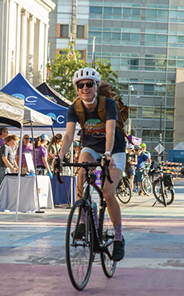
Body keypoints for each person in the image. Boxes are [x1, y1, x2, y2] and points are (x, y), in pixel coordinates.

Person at [56, 67, 126, 262]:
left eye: (89, 84)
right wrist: (60, 157)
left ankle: (119, 238)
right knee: (81, 173)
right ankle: (83, 219)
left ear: (95, 86)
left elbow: (111, 131)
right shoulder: (75, 108)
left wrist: (108, 154)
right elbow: (69, 135)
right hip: (91, 147)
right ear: (77, 89)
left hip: (114, 149)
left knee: (107, 193)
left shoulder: (108, 104)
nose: (85, 88)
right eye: (81, 85)